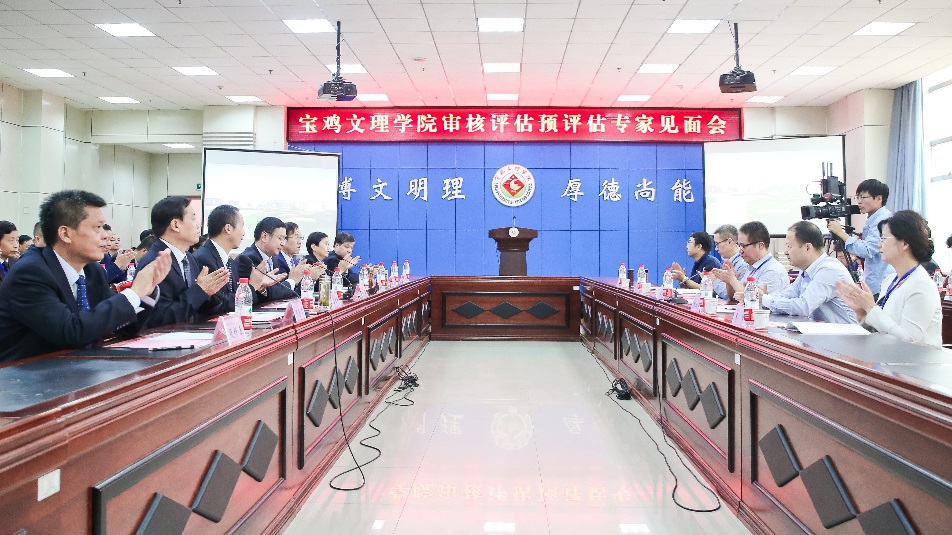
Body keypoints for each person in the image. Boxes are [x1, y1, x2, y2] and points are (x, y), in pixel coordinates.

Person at [0, 190, 170, 363]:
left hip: (75, 369)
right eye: (97, 228)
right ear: (65, 234)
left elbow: (125, 327)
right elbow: (70, 332)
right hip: (25, 373)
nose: (106, 235)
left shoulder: (92, 271)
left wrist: (146, 292)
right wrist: (133, 293)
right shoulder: (30, 273)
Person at [835, 210, 942, 346]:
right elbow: (883, 330)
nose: (879, 245)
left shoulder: (921, 285)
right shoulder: (890, 280)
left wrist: (871, 308)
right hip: (888, 356)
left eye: (884, 239)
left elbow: (909, 340)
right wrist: (863, 313)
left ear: (904, 244)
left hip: (914, 359)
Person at [137, 196, 230, 328]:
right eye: (193, 218)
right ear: (175, 225)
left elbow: (195, 308)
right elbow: (158, 320)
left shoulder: (189, 259)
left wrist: (209, 294)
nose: (198, 225)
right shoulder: (155, 262)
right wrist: (200, 291)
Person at [759, 221, 856, 324]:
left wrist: (765, 299)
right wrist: (766, 300)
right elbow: (787, 295)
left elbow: (804, 307)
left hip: (846, 333)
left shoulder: (829, 269)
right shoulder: (807, 270)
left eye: (789, 246)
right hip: (825, 331)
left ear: (808, 247)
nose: (785, 252)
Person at [194, 205, 284, 311]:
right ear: (228, 228)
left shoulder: (228, 261)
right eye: (242, 227)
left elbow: (234, 296)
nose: (244, 233)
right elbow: (219, 305)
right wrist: (252, 286)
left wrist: (259, 284)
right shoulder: (204, 259)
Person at [827, 179, 894, 299]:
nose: (859, 202)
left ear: (879, 198)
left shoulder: (882, 220)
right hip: (876, 283)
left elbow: (867, 250)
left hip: (881, 284)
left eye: (863, 197)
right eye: (857, 197)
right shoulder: (874, 218)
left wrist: (840, 233)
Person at [235, 217, 308, 303]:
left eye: (284, 239)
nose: (283, 243)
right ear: (264, 237)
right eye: (280, 238)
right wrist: (293, 280)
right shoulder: (248, 259)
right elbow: (270, 294)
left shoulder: (273, 259)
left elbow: (277, 290)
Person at [713, 221, 790, 299]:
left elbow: (752, 300)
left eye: (743, 246)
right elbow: (735, 298)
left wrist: (732, 280)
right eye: (739, 246)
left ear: (760, 246)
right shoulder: (752, 267)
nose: (740, 251)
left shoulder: (772, 270)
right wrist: (729, 283)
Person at [710, 224, 749, 300]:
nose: (716, 249)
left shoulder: (743, 264)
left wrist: (714, 281)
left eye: (717, 244)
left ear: (729, 242)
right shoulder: (728, 261)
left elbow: (732, 295)